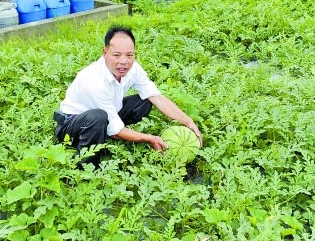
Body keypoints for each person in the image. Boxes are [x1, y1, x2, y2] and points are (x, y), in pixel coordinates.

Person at [54, 25, 203, 166]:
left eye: (129, 55)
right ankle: (85, 164)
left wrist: (188, 122)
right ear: (105, 53)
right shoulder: (94, 81)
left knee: (143, 101)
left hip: (105, 115)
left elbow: (156, 97)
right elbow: (114, 127)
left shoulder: (133, 69)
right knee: (98, 117)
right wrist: (149, 138)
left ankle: (105, 135)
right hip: (72, 126)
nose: (123, 61)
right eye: (117, 55)